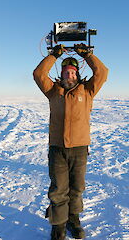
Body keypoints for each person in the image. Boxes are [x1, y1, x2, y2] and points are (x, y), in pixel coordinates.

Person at [33, 43, 108, 240]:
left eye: (73, 72)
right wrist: (54, 55)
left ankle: (73, 218)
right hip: (57, 148)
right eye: (66, 72)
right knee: (59, 189)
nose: (70, 75)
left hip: (80, 149)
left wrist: (87, 55)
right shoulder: (53, 91)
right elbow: (39, 74)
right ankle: (58, 225)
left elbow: (102, 72)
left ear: (77, 74)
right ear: (62, 73)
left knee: (77, 188)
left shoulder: (88, 90)